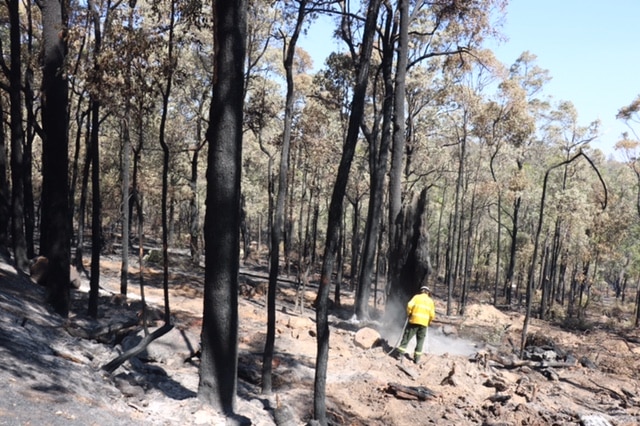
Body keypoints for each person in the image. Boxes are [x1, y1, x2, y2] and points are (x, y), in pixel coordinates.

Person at [392, 286, 435, 364]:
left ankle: (400, 354)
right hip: (424, 324)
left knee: (407, 337)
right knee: (420, 341)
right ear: (428, 292)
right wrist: (428, 322)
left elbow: (409, 305)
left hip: (414, 321)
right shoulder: (430, 301)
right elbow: (432, 314)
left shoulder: (416, 297)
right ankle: (417, 359)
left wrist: (409, 313)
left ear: (421, 291)